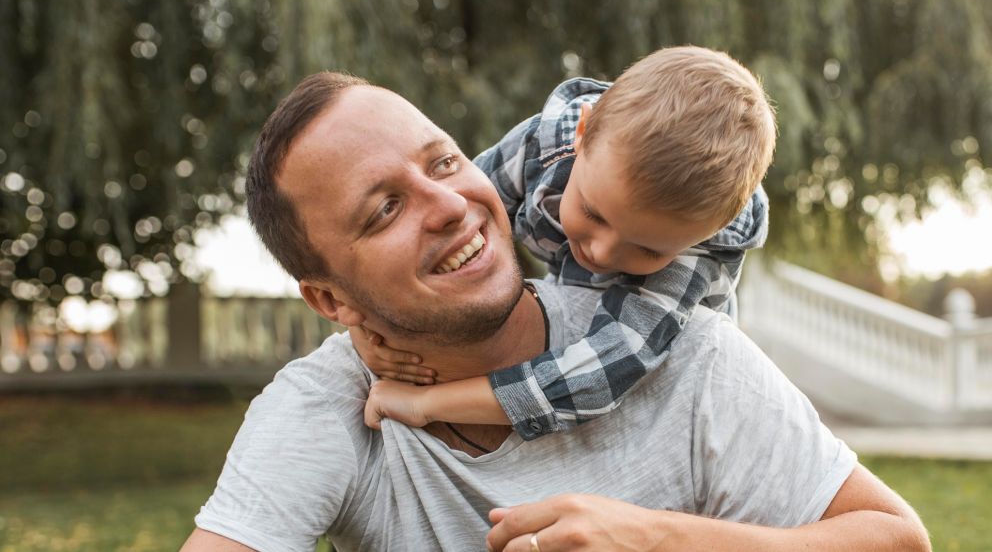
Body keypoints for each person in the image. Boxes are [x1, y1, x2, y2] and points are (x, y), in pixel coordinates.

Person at [180, 72, 930, 552]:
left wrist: (657, 540)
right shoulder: (328, 404)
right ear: (330, 300)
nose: (453, 204)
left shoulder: (686, 350)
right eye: (385, 209)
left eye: (445, 162)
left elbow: (896, 540)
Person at [357, 47, 776, 439]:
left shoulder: (696, 251)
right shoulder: (544, 146)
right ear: (583, 132)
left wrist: (428, 404)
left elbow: (598, 378)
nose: (602, 252)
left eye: (649, 250)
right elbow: (457, 223)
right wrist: (367, 323)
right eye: (594, 214)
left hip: (658, 394)